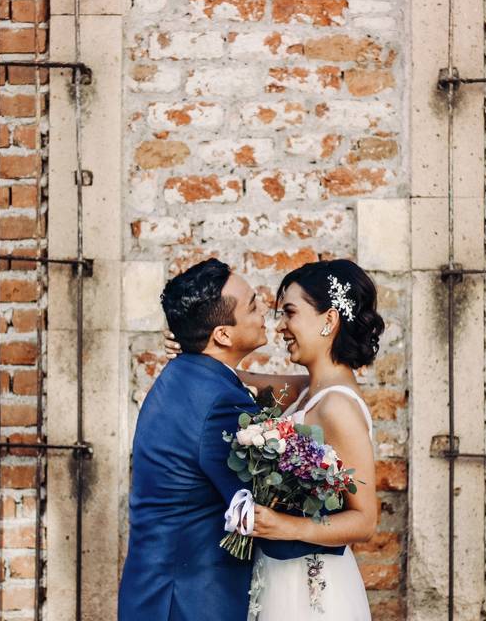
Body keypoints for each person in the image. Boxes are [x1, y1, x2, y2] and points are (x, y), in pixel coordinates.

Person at [118, 258, 341, 621]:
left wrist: (335, 387)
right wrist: (343, 516)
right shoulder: (218, 400)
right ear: (223, 334)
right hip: (188, 602)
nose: (265, 314)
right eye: (253, 305)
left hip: (158, 595)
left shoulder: (187, 376)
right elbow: (262, 507)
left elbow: (307, 390)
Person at [165, 259, 383, 620]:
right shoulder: (308, 390)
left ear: (329, 320)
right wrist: (193, 345)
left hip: (310, 588)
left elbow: (365, 520)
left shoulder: (338, 406)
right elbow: (240, 376)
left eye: (291, 313)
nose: (280, 326)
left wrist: (285, 526)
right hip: (275, 575)